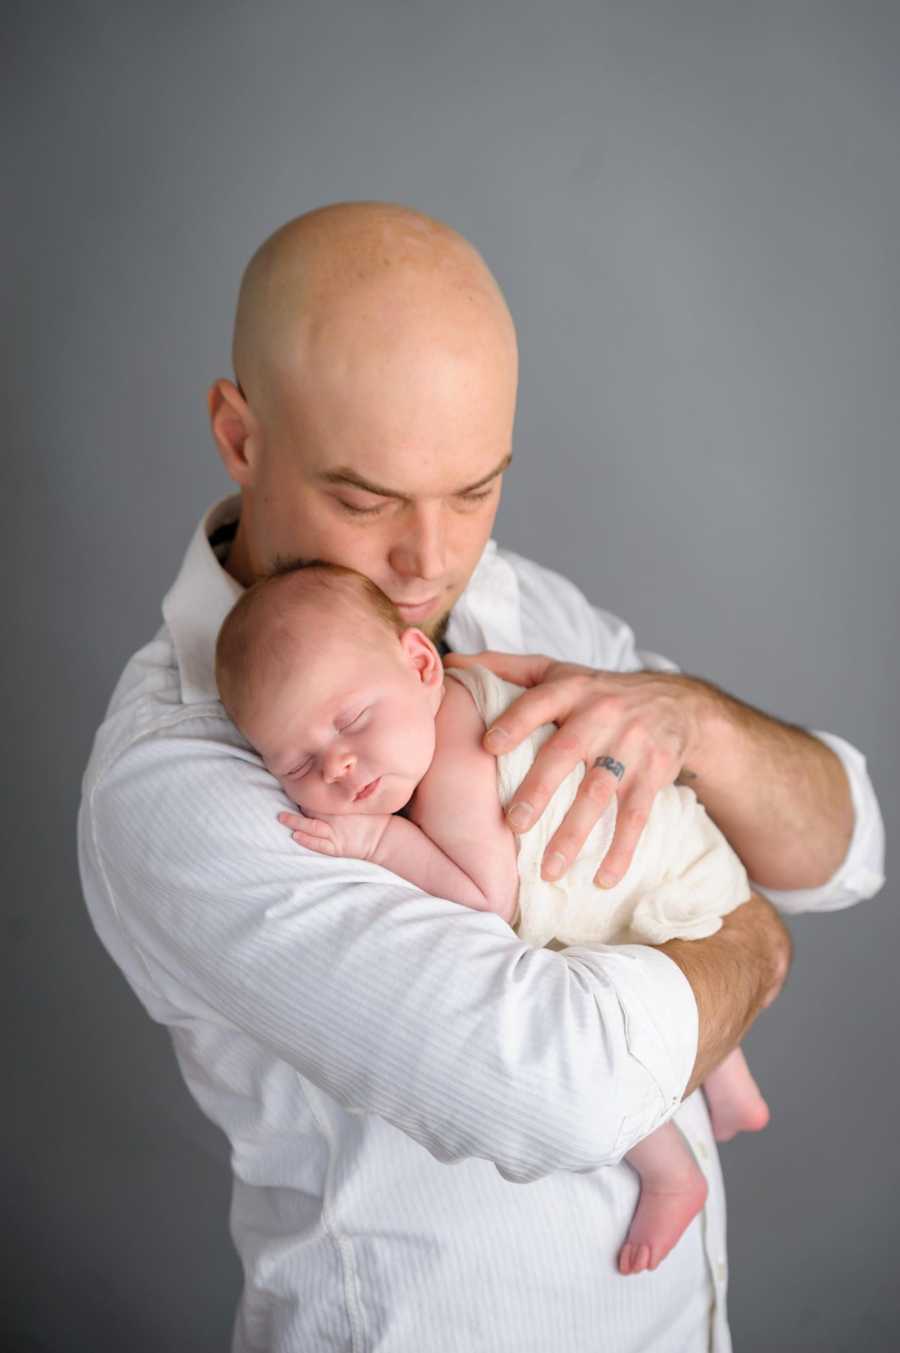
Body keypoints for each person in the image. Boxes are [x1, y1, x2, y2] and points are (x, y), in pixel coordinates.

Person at [78, 201, 885, 1353]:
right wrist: (751, 947)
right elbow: (575, 1090)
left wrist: (692, 717)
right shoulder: (180, 780)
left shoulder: (507, 604)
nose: (429, 561)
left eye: (473, 490)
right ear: (240, 435)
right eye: (364, 499)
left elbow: (846, 847)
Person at [214, 559, 773, 1278]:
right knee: (665, 956)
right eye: (298, 765)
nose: (341, 769)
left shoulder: (451, 747)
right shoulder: (427, 713)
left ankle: (673, 1173)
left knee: (595, 1004)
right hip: (683, 875)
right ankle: (734, 1089)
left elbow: (485, 900)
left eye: (353, 721)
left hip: (661, 875)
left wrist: (383, 841)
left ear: (421, 665)